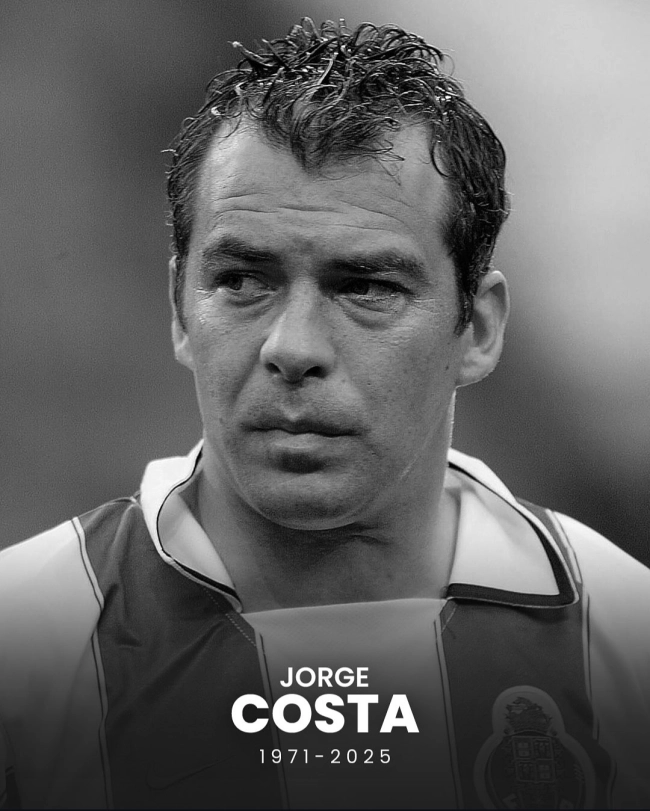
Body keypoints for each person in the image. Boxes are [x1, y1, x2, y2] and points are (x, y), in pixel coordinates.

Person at [1, 17, 649, 810]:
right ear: (178, 307)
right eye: (243, 280)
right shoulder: (26, 643)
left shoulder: (625, 642)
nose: (293, 346)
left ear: (478, 328)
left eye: (366, 286)